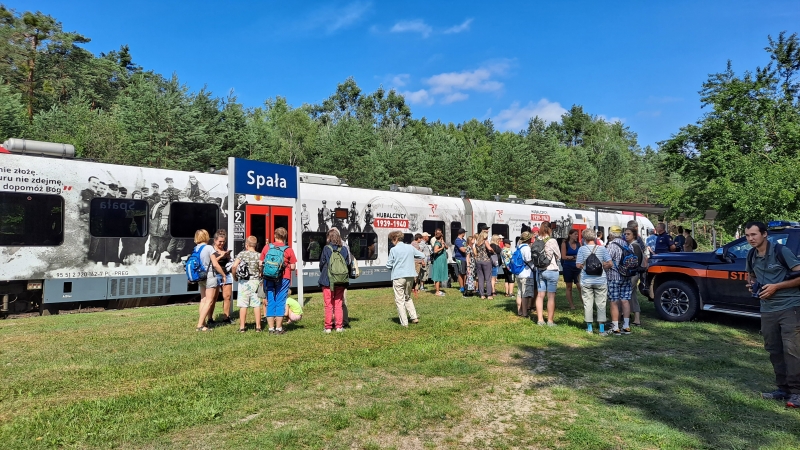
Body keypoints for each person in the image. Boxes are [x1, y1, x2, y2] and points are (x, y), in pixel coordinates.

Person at [744, 221, 800, 408]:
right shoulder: (751, 254)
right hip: (767, 309)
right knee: (774, 349)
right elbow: (750, 275)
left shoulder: (781, 251)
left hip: (790, 307)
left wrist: (777, 286)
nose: (751, 239)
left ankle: (797, 392)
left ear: (765, 234)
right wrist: (752, 284)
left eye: (754, 235)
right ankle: (783, 389)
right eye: (748, 235)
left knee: (792, 350)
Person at [575, 228, 613, 335]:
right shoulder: (602, 249)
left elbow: (578, 265)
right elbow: (610, 264)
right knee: (601, 304)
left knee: (588, 303)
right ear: (594, 237)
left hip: (586, 281)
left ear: (584, 238)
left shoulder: (582, 249)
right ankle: (601, 329)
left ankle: (590, 328)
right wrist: (601, 266)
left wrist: (585, 266)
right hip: (600, 280)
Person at [260, 227, 297, 335]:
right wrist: (285, 265)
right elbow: (293, 267)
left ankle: (271, 329)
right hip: (283, 278)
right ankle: (279, 328)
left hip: (268, 277)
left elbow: (260, 263)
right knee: (280, 301)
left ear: (275, 236)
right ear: (285, 237)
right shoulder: (288, 249)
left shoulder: (267, 247)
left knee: (270, 301)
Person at [386, 230, 425, 327]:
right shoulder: (410, 247)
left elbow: (388, 265)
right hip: (410, 275)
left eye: (392, 240)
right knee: (407, 297)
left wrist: (394, 265)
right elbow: (422, 255)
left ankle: (404, 323)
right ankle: (414, 317)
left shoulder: (393, 250)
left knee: (399, 300)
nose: (392, 242)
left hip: (398, 276)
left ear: (395, 239)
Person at [319, 228, 351, 332]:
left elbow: (322, 263)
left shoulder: (326, 248)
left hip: (327, 280)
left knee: (328, 304)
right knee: (338, 303)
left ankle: (328, 327)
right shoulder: (344, 249)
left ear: (329, 237)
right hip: (340, 280)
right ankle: (339, 327)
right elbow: (347, 263)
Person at [231, 236, 262, 333]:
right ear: (256, 245)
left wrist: (235, 277)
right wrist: (260, 274)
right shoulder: (259, 255)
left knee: (243, 305)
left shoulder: (242, 254)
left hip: (243, 282)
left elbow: (234, 266)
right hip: (255, 281)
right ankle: (258, 327)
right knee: (256, 304)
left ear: (246, 245)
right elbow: (261, 268)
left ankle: (242, 327)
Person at [606, 226, 633, 335]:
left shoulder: (612, 246)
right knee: (625, 300)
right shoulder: (627, 244)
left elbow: (607, 262)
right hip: (626, 276)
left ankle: (615, 327)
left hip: (614, 276)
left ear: (611, 234)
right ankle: (626, 326)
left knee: (614, 301)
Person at [534, 222, 561, 326]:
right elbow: (559, 255)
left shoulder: (537, 240)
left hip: (540, 270)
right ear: (550, 229)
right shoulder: (552, 240)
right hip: (551, 270)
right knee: (551, 297)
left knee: (540, 296)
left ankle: (540, 320)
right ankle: (550, 321)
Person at [206, 229, 234, 325]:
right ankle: (210, 318)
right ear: (215, 240)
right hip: (215, 274)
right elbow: (211, 263)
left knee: (227, 296)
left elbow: (229, 262)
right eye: (220, 242)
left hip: (226, 274)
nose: (222, 243)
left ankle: (226, 317)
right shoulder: (211, 250)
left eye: (223, 242)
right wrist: (221, 256)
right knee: (213, 297)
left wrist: (228, 256)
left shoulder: (224, 249)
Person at [626, 220, 648, 327]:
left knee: (626, 295)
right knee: (632, 295)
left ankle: (625, 316)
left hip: (632, 274)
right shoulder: (637, 245)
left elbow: (634, 262)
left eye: (628, 234)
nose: (625, 236)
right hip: (635, 273)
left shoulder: (634, 246)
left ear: (633, 235)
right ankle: (636, 318)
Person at [194, 229, 216, 331]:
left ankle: (202, 323)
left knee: (203, 300)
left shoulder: (196, 248)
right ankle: (200, 325)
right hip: (209, 275)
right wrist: (223, 274)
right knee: (209, 301)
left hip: (200, 275)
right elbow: (215, 263)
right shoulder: (209, 248)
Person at [560, 229, 582, 310]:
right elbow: (563, 256)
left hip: (577, 267)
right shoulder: (564, 243)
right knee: (569, 287)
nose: (576, 236)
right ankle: (571, 305)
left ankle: (584, 303)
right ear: (570, 235)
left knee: (580, 286)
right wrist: (573, 257)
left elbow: (581, 255)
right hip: (568, 267)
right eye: (575, 234)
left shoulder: (578, 244)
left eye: (577, 234)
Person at [515, 231, 535, 317]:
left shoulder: (519, 247)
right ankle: (525, 313)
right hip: (526, 274)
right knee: (525, 295)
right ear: (529, 239)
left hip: (519, 273)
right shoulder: (526, 248)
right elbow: (528, 259)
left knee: (519, 293)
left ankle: (519, 311)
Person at [474, 227, 494, 300]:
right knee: (488, 278)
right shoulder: (485, 241)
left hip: (478, 260)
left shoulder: (477, 243)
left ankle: (482, 295)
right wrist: (492, 250)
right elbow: (489, 248)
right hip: (486, 260)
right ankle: (489, 295)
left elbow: (475, 251)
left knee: (480, 278)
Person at [431, 229, 448, 296]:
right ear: (440, 237)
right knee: (437, 276)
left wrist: (443, 243)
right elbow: (435, 251)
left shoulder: (441, 242)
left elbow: (447, 247)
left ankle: (439, 290)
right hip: (438, 261)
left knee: (440, 274)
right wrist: (441, 248)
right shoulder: (437, 243)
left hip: (441, 261)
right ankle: (437, 291)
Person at [453, 228, 468, 294]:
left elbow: (466, 247)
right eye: (464, 233)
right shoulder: (457, 240)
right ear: (462, 233)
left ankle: (465, 285)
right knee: (461, 273)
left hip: (465, 258)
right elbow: (463, 250)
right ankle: (461, 287)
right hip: (460, 258)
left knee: (465, 273)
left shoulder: (464, 240)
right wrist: (467, 248)